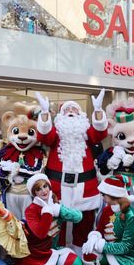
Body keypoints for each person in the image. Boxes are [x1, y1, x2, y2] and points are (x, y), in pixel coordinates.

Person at [34, 89, 107, 252]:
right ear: (60, 116)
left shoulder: (87, 133)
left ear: (81, 115)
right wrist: (45, 114)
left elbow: (100, 133)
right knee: (57, 221)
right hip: (57, 185)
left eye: (75, 109)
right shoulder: (56, 133)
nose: (71, 112)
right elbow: (44, 136)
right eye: (67, 110)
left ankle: (82, 253)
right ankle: (59, 254)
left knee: (84, 222)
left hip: (84, 186)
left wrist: (98, 111)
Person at [13, 174, 83, 265]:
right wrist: (47, 212)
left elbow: (78, 217)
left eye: (45, 186)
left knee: (75, 264)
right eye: (38, 189)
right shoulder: (31, 210)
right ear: (34, 193)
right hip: (35, 257)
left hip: (52, 251)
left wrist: (59, 210)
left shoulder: (55, 204)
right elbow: (41, 233)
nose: (43, 191)